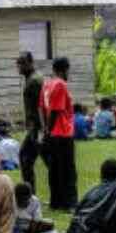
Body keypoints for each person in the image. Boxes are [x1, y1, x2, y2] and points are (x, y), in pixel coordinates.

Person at [41, 57, 78, 210]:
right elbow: (56, 110)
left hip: (52, 134)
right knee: (68, 171)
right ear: (65, 69)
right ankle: (70, 203)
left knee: (55, 170)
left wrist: (46, 130)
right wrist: (49, 130)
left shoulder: (47, 84)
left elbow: (42, 108)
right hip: (63, 133)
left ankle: (56, 202)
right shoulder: (61, 85)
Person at [16, 52, 46, 192]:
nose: (19, 66)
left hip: (38, 127)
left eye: (22, 63)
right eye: (18, 63)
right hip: (35, 126)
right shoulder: (32, 79)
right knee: (26, 158)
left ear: (30, 62)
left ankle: (30, 194)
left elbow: (41, 106)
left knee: (26, 157)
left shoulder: (35, 81)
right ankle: (30, 193)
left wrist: (39, 128)